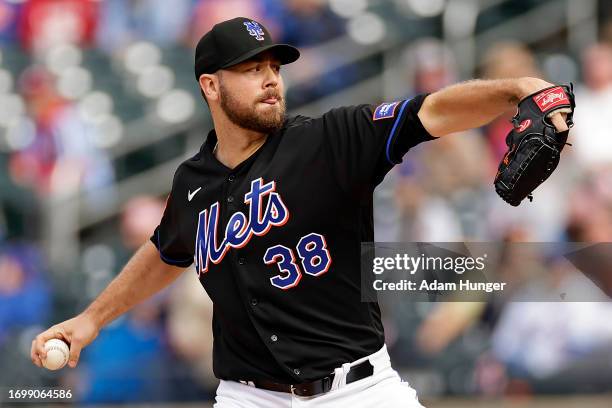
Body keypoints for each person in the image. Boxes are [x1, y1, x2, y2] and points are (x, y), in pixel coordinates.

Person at [31, 17, 570, 407]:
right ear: (210, 86)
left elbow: (429, 111)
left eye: (274, 66)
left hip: (358, 390)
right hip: (248, 397)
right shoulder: (192, 182)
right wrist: (91, 319)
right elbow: (166, 251)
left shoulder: (330, 139)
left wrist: (519, 88)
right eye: (251, 69)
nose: (270, 78)